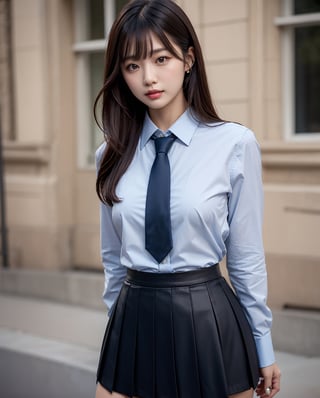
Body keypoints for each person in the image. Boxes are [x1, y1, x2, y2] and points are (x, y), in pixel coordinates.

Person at [94, 1, 281, 397]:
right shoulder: (109, 155)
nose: (148, 77)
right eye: (132, 66)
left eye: (161, 58)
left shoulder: (234, 144)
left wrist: (262, 344)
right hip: (133, 323)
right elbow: (112, 257)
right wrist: (118, 327)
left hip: (209, 321)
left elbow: (246, 256)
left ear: (189, 59)